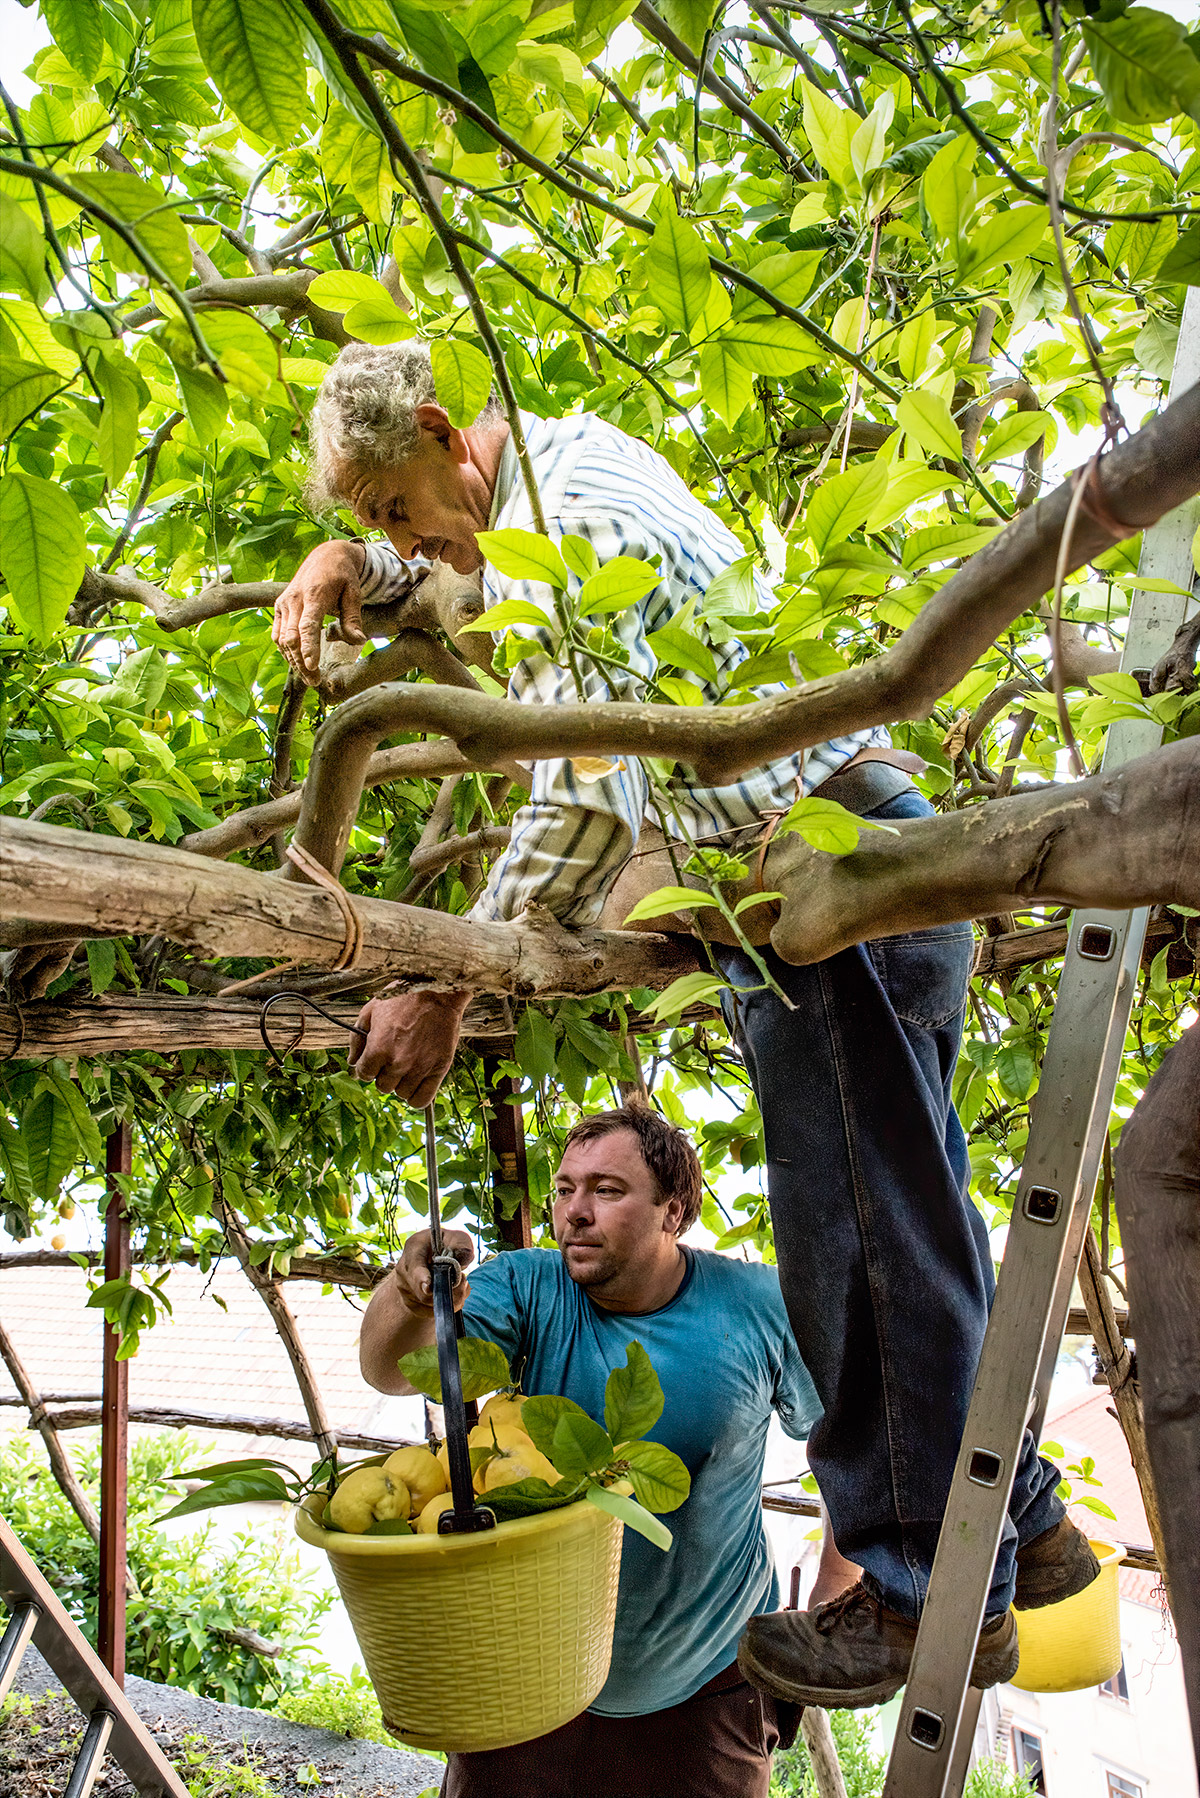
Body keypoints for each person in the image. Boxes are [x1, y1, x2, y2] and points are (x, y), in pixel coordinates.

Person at [275, 342, 1095, 1708]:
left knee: (856, 1246)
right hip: (861, 860)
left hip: (827, 886)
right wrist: (347, 574)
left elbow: (575, 794)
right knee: (913, 1215)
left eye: (390, 505)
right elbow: (456, 576)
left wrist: (446, 978)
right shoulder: (552, 490)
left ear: (439, 432)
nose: (398, 534)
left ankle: (918, 1594)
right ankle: (1031, 1520)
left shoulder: (572, 530)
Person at [360, 1105, 850, 1798]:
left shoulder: (759, 1305)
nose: (574, 1213)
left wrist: (834, 1593)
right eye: (564, 1190)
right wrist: (410, 1295)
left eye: (607, 1191)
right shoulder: (531, 1285)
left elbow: (850, 1447)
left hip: (704, 1682)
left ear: (673, 1214)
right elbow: (388, 1368)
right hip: (528, 1671)